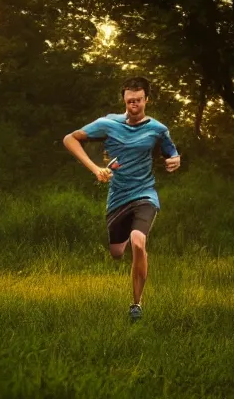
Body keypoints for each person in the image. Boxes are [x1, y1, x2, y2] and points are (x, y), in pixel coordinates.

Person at [63, 77, 180, 321]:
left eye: (138, 100)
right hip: (118, 197)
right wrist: (96, 169)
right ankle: (125, 239)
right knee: (117, 253)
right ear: (124, 100)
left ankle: (136, 305)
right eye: (129, 101)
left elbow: (172, 153)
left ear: (147, 99)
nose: (133, 105)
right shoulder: (108, 123)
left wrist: (174, 160)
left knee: (139, 241)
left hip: (145, 194)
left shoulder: (158, 129)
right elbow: (70, 139)